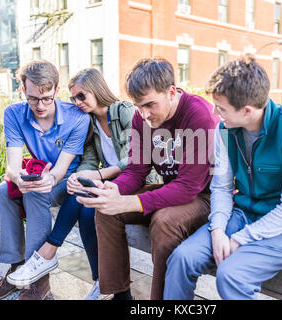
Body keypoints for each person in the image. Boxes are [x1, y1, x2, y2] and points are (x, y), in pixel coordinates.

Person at [163, 54, 282, 300]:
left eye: (221, 108)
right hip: (241, 215)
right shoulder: (223, 130)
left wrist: (239, 239)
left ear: (247, 111)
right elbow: (222, 188)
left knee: (231, 275)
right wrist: (217, 230)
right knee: (182, 258)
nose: (214, 112)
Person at [76, 57, 218, 300]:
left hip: (205, 196)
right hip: (173, 189)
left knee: (164, 221)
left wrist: (131, 202)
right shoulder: (141, 118)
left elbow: (189, 187)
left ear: (171, 92)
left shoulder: (198, 114)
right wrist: (111, 189)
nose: (144, 114)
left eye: (150, 105)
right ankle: (120, 295)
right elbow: (135, 170)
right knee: (107, 208)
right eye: (139, 106)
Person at [4, 68, 135, 300]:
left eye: (81, 96)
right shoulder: (90, 122)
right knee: (84, 210)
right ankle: (101, 282)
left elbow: (137, 157)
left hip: (135, 178)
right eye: (73, 97)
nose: (77, 102)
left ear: (97, 90)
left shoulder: (123, 111)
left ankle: (48, 252)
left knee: (78, 199)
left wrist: (98, 175)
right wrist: (79, 176)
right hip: (109, 181)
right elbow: (89, 160)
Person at [0, 60, 90, 300]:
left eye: (46, 98)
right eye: (32, 98)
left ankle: (38, 280)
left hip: (65, 180)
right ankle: (16, 268)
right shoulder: (14, 113)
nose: (40, 106)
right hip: (36, 173)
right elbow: (13, 164)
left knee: (35, 193)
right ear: (23, 91)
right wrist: (18, 177)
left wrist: (49, 179)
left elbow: (61, 169)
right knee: (3, 191)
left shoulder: (77, 118)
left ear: (56, 90)